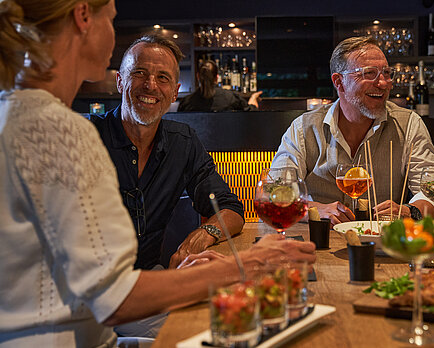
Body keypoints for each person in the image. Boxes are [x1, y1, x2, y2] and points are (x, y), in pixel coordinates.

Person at [0, 1, 316, 347]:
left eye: (163, 77)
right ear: (83, 17)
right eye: (113, 18)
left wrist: (203, 247)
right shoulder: (66, 132)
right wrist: (246, 264)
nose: (151, 85)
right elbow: (115, 298)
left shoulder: (15, 114)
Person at [89, 35, 244, 271]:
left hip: (150, 278)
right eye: (139, 73)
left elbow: (231, 210)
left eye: (163, 78)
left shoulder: (182, 141)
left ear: (174, 93)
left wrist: (203, 234)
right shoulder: (85, 137)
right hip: (85, 286)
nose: (151, 85)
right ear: (120, 82)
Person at [271, 36, 434, 225]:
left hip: (383, 243)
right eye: (370, 73)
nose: (384, 83)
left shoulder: (409, 124)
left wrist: (410, 211)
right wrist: (315, 209)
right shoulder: (303, 129)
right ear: (339, 82)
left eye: (386, 73)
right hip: (319, 243)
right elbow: (276, 194)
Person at [177, 59, 262, 112]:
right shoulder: (231, 98)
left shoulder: (186, 102)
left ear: (198, 76)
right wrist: (253, 98)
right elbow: (251, 114)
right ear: (217, 77)